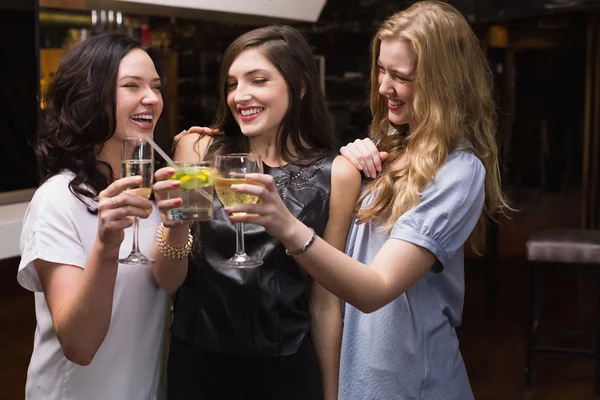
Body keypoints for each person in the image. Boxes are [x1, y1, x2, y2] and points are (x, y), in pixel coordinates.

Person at [224, 2, 510, 399]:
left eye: (401, 76)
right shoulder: (391, 144)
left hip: (409, 381)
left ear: (443, 83)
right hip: (359, 374)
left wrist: (287, 226)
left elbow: (375, 289)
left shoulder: (459, 172)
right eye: (381, 69)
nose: (383, 87)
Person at [150, 25, 360, 400]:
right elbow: (171, 278)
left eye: (258, 80)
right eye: (231, 84)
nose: (240, 95)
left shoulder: (338, 175)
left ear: (299, 87)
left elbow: (326, 303)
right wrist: (173, 225)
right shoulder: (197, 151)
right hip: (198, 363)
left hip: (285, 369)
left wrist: (331, 393)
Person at [17, 33, 169, 399]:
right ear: (90, 98)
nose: (151, 98)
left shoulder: (156, 194)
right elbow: (79, 346)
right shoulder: (57, 199)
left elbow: (170, 285)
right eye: (131, 85)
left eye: (156, 87)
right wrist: (105, 243)